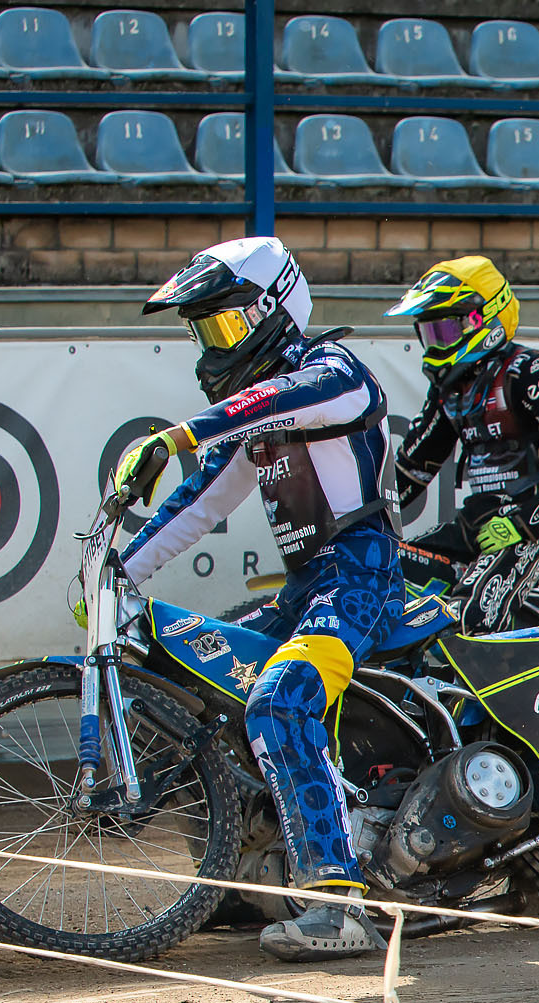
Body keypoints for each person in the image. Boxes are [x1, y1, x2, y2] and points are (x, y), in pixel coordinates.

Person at [106, 236, 400, 963]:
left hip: (360, 577)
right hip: (307, 589)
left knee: (279, 699)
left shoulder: (334, 371)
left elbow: (280, 400)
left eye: (228, 324)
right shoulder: (250, 424)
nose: (216, 346)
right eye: (204, 331)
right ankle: (238, 879)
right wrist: (114, 571)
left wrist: (181, 433)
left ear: (275, 309)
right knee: (203, 676)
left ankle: (338, 902)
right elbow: (196, 506)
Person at [383, 256, 539, 633]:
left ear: (484, 319)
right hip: (477, 520)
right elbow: (410, 471)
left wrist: (525, 521)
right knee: (381, 564)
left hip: (536, 523)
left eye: (444, 330)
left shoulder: (531, 370)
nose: (436, 343)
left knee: (467, 618)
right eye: (429, 332)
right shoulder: (448, 389)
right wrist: (357, 526)